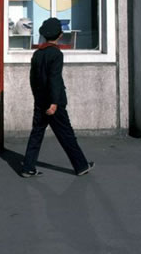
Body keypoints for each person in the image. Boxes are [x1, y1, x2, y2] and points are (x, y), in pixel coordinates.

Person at [21, 17, 94, 178]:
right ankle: (81, 166)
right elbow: (54, 78)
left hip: (40, 101)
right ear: (60, 35)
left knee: (36, 133)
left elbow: (33, 79)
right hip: (54, 103)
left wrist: (37, 98)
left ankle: (28, 167)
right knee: (66, 134)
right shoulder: (56, 54)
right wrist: (54, 103)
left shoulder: (37, 54)